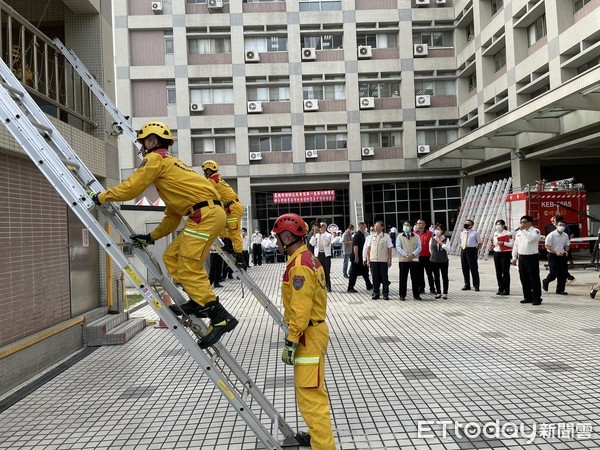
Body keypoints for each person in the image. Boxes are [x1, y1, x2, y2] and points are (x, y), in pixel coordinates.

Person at [91, 121, 237, 348]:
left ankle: (219, 316)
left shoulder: (155, 159)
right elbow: (173, 216)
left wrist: (103, 196)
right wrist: (152, 237)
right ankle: (200, 303)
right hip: (208, 213)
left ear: (151, 142)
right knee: (172, 255)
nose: (142, 149)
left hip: (203, 215)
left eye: (143, 144)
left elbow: (133, 186)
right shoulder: (173, 168)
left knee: (189, 265)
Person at [272, 213, 336, 450]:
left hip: (307, 335)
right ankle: (316, 436)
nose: (277, 242)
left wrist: (291, 339)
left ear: (288, 237)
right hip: (312, 332)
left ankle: (323, 446)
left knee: (311, 397)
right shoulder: (309, 258)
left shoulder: (299, 266)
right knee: (311, 391)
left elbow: (301, 308)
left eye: (278, 238)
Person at [201, 160, 246, 268]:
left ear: (208, 171)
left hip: (233, 208)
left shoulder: (213, 180)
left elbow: (202, 189)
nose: (204, 173)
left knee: (234, 232)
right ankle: (228, 243)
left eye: (205, 171)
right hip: (229, 208)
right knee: (220, 225)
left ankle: (240, 258)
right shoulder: (217, 179)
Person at [511, 215, 543, 306]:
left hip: (532, 257)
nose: (522, 224)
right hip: (522, 257)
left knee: (534, 278)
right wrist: (514, 257)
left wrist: (524, 230)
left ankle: (537, 298)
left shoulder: (535, 231)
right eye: (521, 222)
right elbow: (516, 246)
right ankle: (527, 296)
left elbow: (530, 239)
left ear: (530, 222)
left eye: (524, 222)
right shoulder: (519, 233)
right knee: (524, 278)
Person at [366, 220, 393, 300]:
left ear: (382, 227)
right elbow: (368, 249)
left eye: (378, 226)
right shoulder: (371, 237)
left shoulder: (386, 237)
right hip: (373, 260)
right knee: (375, 278)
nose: (376, 227)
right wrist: (368, 259)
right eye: (375, 226)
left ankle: (385, 294)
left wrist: (389, 260)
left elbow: (389, 249)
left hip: (383, 260)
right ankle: (376, 293)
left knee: (384, 278)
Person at [396, 220, 422, 301]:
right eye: (404, 225)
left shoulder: (416, 236)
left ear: (411, 227)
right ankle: (402, 295)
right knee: (403, 278)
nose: (405, 227)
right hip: (403, 260)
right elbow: (398, 247)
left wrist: (413, 254)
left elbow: (419, 247)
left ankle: (416, 294)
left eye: (407, 225)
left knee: (415, 278)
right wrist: (406, 255)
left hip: (414, 260)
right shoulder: (399, 236)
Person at [543, 219, 570, 295]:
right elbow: (547, 246)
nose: (562, 227)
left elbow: (567, 244)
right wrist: (556, 252)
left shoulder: (565, 235)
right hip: (552, 255)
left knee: (563, 273)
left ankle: (560, 290)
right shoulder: (551, 235)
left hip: (562, 255)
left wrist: (566, 251)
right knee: (554, 272)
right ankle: (546, 281)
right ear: (556, 225)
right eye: (560, 225)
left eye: (563, 225)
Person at [347, 222, 372, 293]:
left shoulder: (362, 235)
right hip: (357, 257)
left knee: (365, 271)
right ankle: (350, 287)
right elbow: (355, 246)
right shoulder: (357, 235)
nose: (365, 228)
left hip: (362, 257)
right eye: (364, 227)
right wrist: (356, 256)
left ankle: (369, 284)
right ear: (361, 227)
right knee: (353, 273)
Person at [459, 219, 482, 291]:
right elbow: (460, 241)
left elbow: (479, 243)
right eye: (465, 223)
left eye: (468, 223)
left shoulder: (475, 233)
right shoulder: (462, 233)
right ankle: (467, 284)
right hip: (463, 250)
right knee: (465, 268)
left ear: (471, 225)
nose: (466, 224)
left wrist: (476, 251)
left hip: (472, 250)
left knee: (473, 268)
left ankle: (476, 285)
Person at [310, 222, 333, 292]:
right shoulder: (316, 235)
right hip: (318, 254)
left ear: (325, 227)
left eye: (322, 226)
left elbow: (325, 243)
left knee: (327, 271)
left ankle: (328, 286)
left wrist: (322, 234)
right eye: (320, 226)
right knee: (318, 271)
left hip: (326, 255)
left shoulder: (328, 235)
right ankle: (319, 286)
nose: (321, 227)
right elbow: (312, 243)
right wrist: (315, 234)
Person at [415, 219, 436, 295]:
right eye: (417, 223)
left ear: (424, 225)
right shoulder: (414, 234)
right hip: (418, 257)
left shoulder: (430, 233)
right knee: (420, 274)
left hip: (428, 256)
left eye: (420, 223)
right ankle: (421, 288)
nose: (419, 225)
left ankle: (432, 289)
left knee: (430, 274)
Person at [492, 219, 513, 296]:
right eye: (497, 224)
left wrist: (503, 242)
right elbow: (494, 243)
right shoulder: (495, 233)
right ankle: (500, 288)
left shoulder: (508, 233)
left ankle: (506, 289)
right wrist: (496, 243)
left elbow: (511, 244)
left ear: (503, 226)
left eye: (499, 224)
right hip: (497, 253)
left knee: (505, 272)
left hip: (505, 253)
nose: (498, 226)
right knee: (498, 272)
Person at [429, 223, 449, 299]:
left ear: (442, 231)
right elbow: (430, 249)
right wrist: (434, 256)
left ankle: (445, 292)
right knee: (436, 277)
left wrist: (441, 242)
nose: (437, 231)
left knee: (444, 276)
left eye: (439, 229)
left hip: (443, 260)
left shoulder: (446, 239)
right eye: (436, 229)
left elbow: (448, 249)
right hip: (434, 260)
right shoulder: (432, 239)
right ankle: (438, 292)